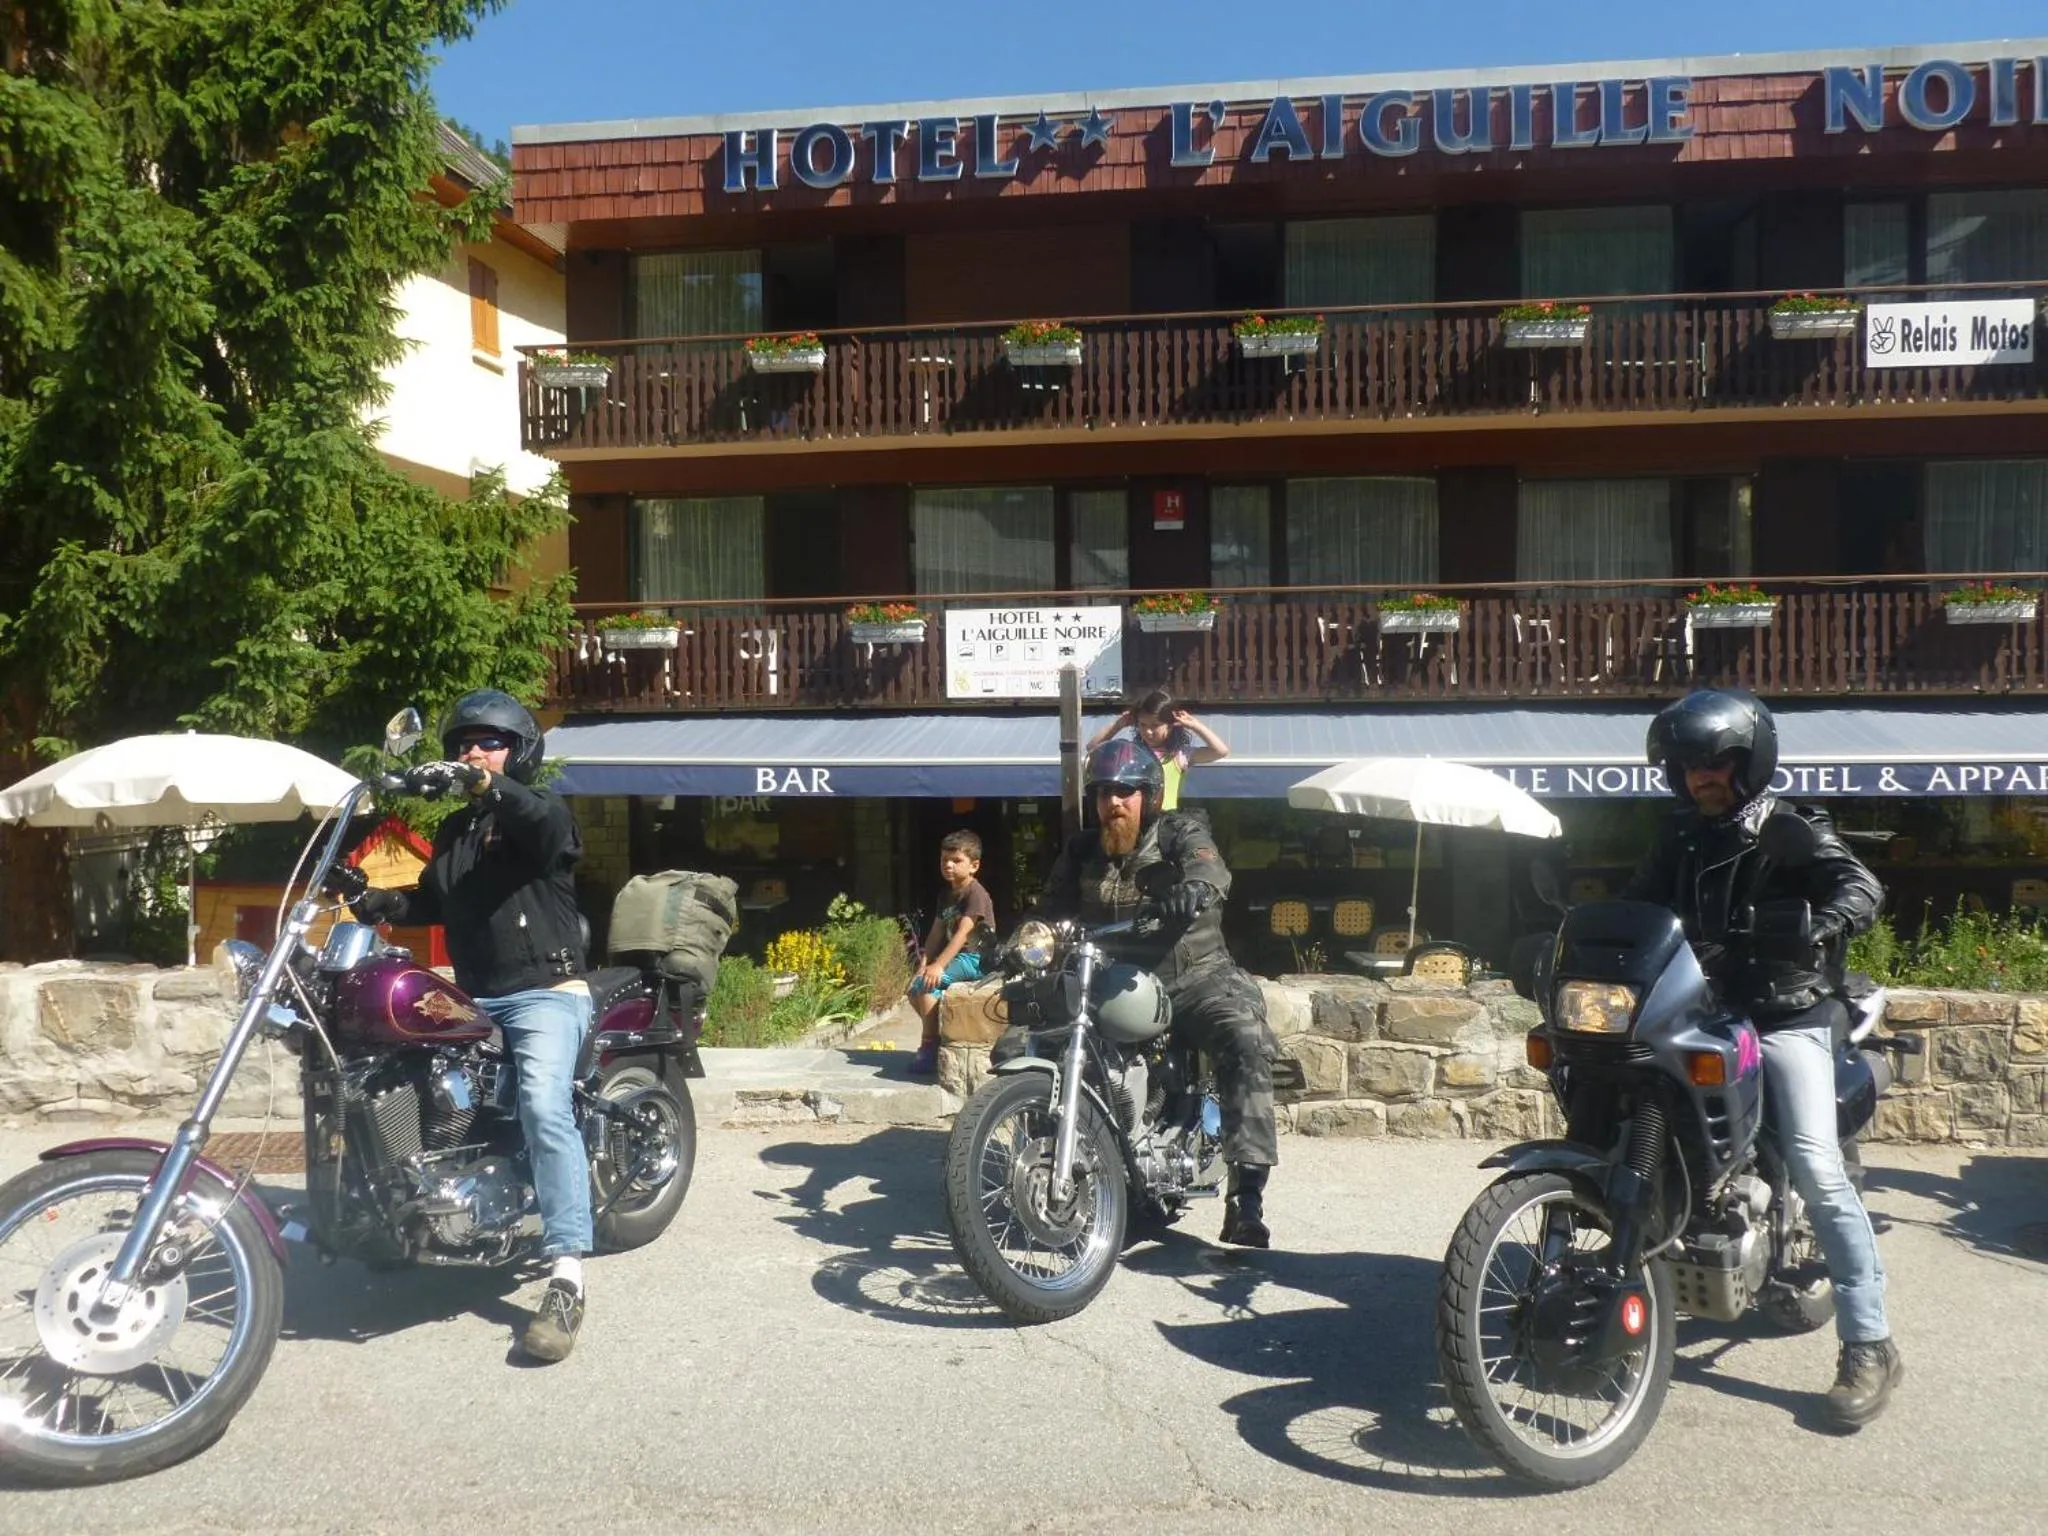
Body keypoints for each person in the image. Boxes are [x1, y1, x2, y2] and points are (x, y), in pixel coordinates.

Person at [1623, 688, 1899, 1428]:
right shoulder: (1678, 837)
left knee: (1814, 1161)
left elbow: (1860, 885)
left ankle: (1869, 1344)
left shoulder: (1793, 825)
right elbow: (1642, 907)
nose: (1699, 779)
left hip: (1787, 1010)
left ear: (1749, 761)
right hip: (1703, 1008)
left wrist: (1818, 926)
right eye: (1685, 767)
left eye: (1714, 763)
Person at [348, 689, 594, 1364]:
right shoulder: (457, 831)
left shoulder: (540, 813)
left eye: (490, 742)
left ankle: (567, 1275)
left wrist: (489, 785)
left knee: (545, 1108)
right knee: (399, 1077)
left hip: (545, 991)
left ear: (519, 752)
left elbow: (544, 830)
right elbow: (435, 897)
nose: (472, 751)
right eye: (463, 743)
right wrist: (373, 898)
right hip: (478, 995)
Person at [1038, 739, 1278, 1247]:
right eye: (1103, 793)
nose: (1113, 803)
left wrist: (1194, 888)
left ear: (1148, 796)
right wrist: (1028, 939)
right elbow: (1051, 911)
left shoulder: (1179, 831)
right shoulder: (1082, 850)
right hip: (1112, 981)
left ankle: (1246, 1196)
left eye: (1125, 792)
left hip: (1195, 978)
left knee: (1244, 1038)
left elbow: (1208, 867)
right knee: (1026, 1041)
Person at [907, 830, 996, 1077]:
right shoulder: (946, 896)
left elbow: (963, 934)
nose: (948, 865)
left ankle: (929, 1045)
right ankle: (938, 1033)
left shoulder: (975, 893)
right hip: (956, 958)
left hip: (976, 958)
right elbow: (936, 933)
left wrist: (938, 967)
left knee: (926, 986)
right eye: (944, 859)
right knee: (914, 989)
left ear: (974, 865)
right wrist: (924, 963)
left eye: (956, 860)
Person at [1086, 688, 1229, 811]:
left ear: (1171, 725)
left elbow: (1220, 751)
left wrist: (1195, 725)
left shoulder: (1179, 755)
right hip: (1137, 822)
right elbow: (1093, 748)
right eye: (1142, 725)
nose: (1148, 731)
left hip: (1166, 823)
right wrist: (1118, 725)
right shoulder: (1129, 751)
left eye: (1155, 725)